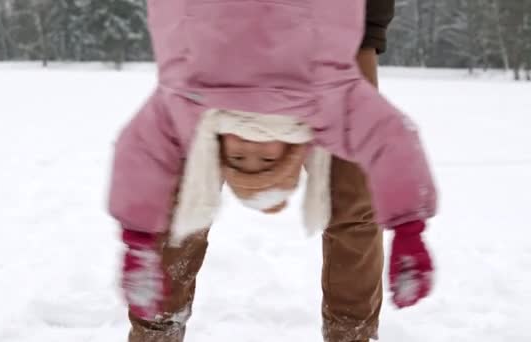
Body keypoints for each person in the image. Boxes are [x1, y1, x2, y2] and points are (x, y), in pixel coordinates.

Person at [108, 0, 437, 341]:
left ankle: (156, 329)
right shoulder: (333, 88)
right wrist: (409, 228)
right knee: (353, 192)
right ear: (294, 145)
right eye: (264, 161)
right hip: (332, 34)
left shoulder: (190, 90)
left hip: (223, 33)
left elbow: (143, 154)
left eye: (240, 160)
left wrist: (139, 238)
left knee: (185, 192)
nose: (251, 148)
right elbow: (389, 141)